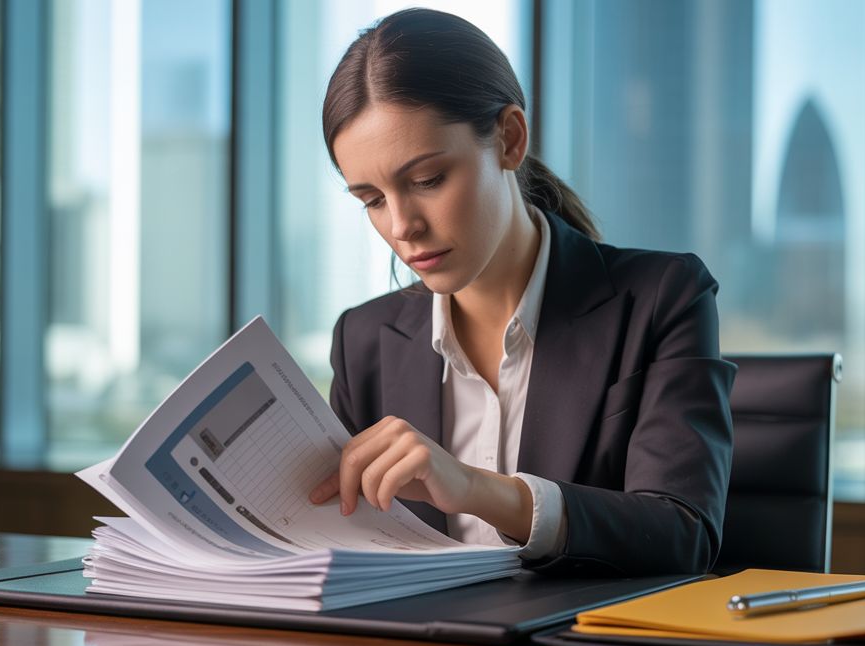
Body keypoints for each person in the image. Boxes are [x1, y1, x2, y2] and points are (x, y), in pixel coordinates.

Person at [307, 8, 735, 577]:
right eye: (373, 200)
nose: (402, 226)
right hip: (415, 638)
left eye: (428, 180)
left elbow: (684, 534)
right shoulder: (363, 339)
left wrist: (475, 489)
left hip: (583, 637)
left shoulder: (662, 299)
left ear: (509, 139)